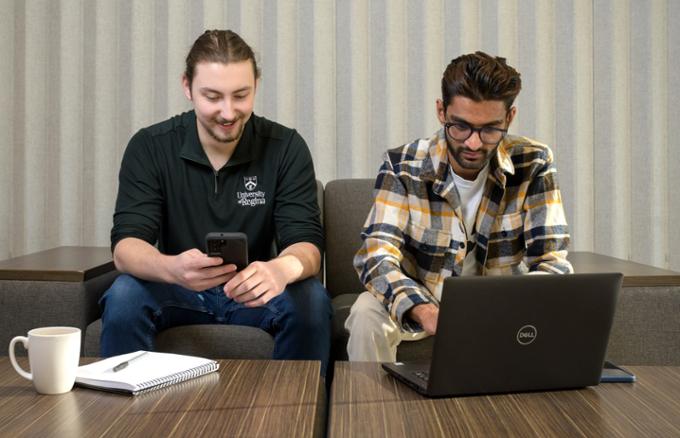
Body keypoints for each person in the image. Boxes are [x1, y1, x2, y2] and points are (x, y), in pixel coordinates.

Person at [101, 30, 332, 375]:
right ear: (187, 87)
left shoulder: (285, 147)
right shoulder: (150, 146)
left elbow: (307, 244)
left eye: (241, 95)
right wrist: (172, 268)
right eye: (212, 97)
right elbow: (126, 246)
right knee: (123, 296)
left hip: (256, 294)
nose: (228, 112)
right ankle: (126, 424)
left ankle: (297, 420)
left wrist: (279, 270)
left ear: (256, 85)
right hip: (177, 289)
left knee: (312, 299)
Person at [346, 51, 573, 362]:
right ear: (442, 111)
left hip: (503, 308)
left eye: (490, 129)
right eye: (461, 127)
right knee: (365, 313)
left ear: (509, 118)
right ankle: (369, 411)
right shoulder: (403, 165)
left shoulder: (534, 162)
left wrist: (513, 309)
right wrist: (422, 308)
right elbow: (376, 255)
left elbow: (552, 261)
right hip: (421, 301)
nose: (473, 143)